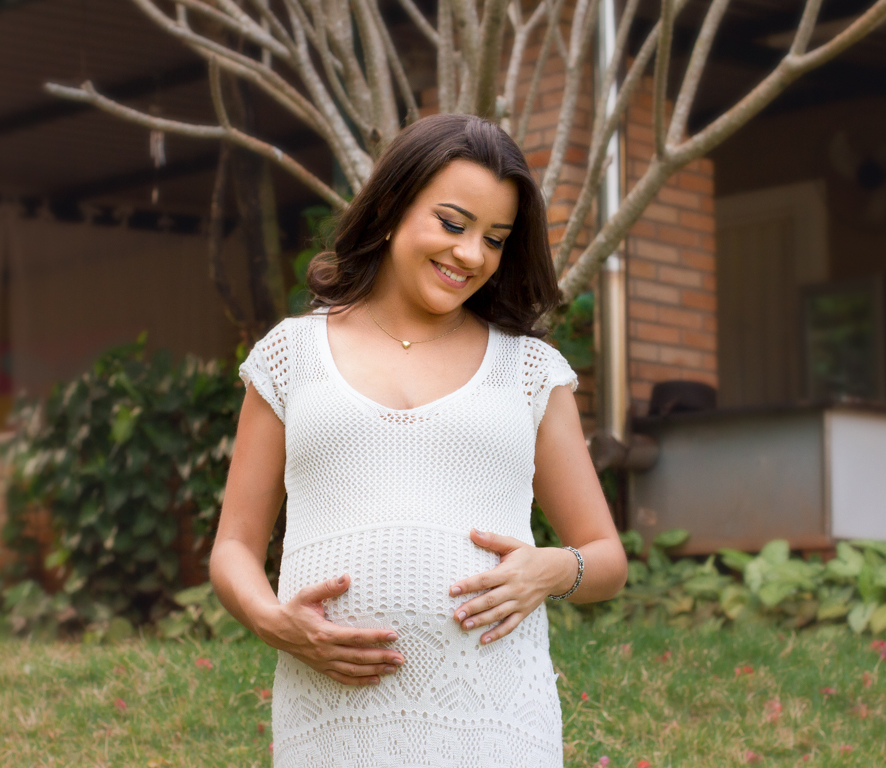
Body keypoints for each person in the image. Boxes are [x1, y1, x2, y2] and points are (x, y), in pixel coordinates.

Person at [210, 113, 628, 767]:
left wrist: (551, 570)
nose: (471, 255)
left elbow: (606, 558)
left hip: (496, 725)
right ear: (390, 210)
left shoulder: (528, 371)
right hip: (333, 725)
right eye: (453, 224)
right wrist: (274, 621)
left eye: (495, 239)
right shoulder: (292, 354)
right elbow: (234, 545)